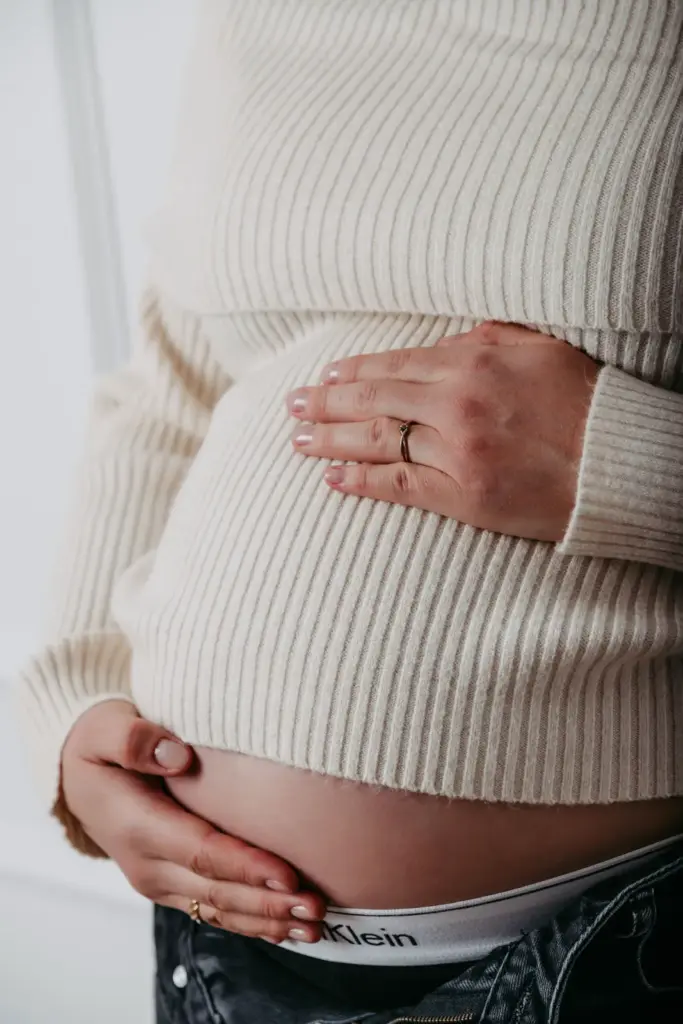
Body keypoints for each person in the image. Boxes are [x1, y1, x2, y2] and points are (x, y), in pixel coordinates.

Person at [15, 1, 683, 1021]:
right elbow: (171, 387)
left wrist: (629, 461)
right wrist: (70, 710)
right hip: (216, 947)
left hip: (603, 945)